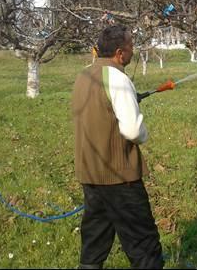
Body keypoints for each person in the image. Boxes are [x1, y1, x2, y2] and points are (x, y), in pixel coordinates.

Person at [72, 25, 163, 269]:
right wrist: (144, 134)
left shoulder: (83, 75)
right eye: (132, 47)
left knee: (95, 243)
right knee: (144, 246)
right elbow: (132, 130)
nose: (133, 51)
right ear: (120, 53)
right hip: (120, 179)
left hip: (91, 175)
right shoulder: (119, 79)